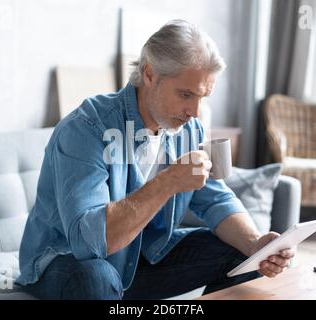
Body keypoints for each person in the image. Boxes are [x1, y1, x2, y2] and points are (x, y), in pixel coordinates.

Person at [16, 19, 294, 300]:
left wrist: (255, 243)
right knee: (96, 278)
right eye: (186, 94)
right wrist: (169, 181)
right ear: (150, 74)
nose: (195, 112)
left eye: (203, 96)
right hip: (66, 263)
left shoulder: (188, 128)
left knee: (244, 257)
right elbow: (91, 244)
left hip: (138, 262)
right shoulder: (87, 128)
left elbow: (214, 200)